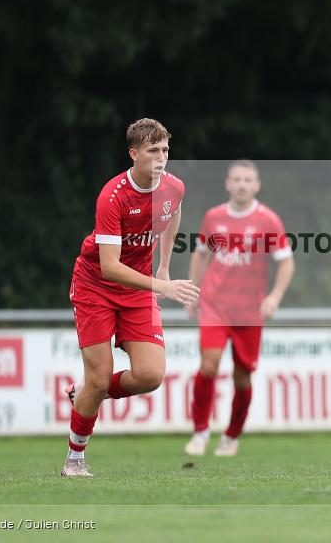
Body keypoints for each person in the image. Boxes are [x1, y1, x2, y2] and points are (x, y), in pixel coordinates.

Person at [62, 118, 200, 477]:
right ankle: (74, 460)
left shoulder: (174, 187)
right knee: (100, 374)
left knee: (151, 374)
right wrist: (163, 287)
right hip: (96, 287)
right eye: (153, 151)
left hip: (138, 288)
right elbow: (108, 267)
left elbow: (173, 215)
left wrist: (165, 267)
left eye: (165, 150)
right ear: (134, 153)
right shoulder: (113, 196)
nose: (161, 158)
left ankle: (88, 391)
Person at [184, 159, 295, 457]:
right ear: (227, 183)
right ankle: (200, 432)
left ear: (256, 185)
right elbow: (200, 255)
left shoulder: (268, 220)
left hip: (249, 313)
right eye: (237, 179)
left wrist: (273, 298)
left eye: (248, 180)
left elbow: (286, 262)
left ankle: (231, 435)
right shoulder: (213, 217)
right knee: (208, 365)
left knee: (242, 376)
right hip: (215, 306)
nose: (242, 184)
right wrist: (194, 292)